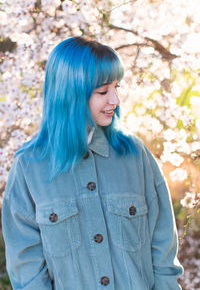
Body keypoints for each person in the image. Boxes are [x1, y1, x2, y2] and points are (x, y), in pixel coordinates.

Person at [1, 37, 183, 290]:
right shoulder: (29, 167)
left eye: (117, 87)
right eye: (103, 91)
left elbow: (163, 249)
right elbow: (27, 269)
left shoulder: (135, 155)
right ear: (70, 94)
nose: (115, 100)